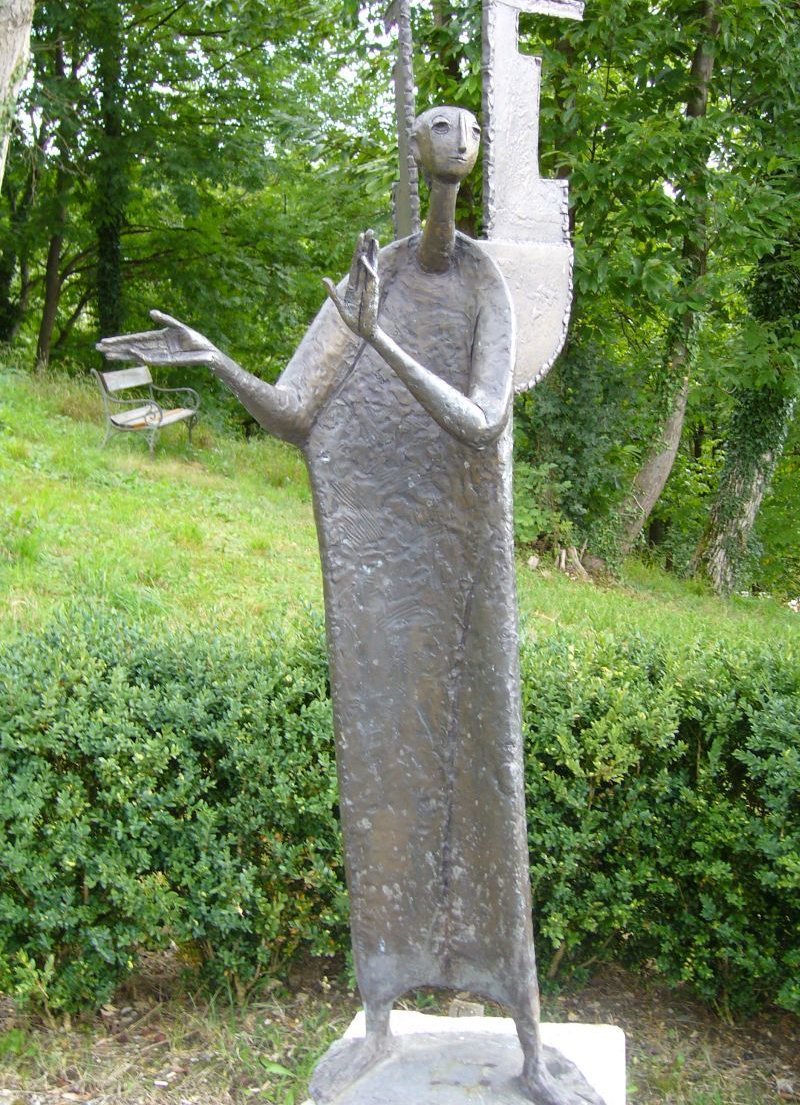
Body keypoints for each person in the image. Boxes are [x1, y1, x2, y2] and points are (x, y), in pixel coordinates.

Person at [99, 106, 590, 1105]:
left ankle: (529, 1042)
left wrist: (386, 347)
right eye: (439, 127)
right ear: (417, 147)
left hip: (463, 563)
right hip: (385, 570)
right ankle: (378, 1019)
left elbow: (483, 419)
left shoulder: (484, 283)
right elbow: (295, 414)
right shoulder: (374, 278)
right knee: (379, 768)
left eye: (465, 128)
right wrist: (216, 359)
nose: (455, 138)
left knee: (487, 780)